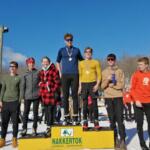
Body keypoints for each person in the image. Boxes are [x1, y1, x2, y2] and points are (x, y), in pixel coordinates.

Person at [56, 33, 83, 125]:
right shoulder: (61, 50)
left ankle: (75, 117)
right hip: (65, 75)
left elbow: (82, 62)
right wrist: (60, 72)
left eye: (71, 39)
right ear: (65, 41)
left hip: (75, 75)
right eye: (68, 40)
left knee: (75, 96)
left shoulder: (76, 50)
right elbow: (57, 62)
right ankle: (66, 117)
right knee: (65, 97)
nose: (69, 41)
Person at [101, 53, 126, 149]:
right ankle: (114, 139)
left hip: (118, 97)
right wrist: (107, 81)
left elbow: (122, 85)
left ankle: (123, 140)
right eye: (109, 59)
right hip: (108, 98)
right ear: (107, 61)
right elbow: (102, 87)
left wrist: (113, 85)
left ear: (115, 60)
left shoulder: (120, 71)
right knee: (112, 120)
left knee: (120, 119)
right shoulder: (104, 72)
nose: (110, 61)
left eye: (112, 59)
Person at [78, 47, 101, 130]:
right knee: (84, 104)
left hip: (93, 83)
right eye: (86, 52)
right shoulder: (81, 63)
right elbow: (80, 75)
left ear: (91, 53)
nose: (88, 53)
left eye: (89, 52)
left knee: (94, 103)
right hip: (84, 84)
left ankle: (96, 121)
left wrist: (97, 84)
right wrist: (80, 86)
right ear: (84, 53)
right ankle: (85, 121)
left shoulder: (96, 62)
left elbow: (99, 74)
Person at [130, 57, 150, 150]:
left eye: (141, 64)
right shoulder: (136, 75)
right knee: (140, 123)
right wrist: (136, 100)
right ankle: (142, 143)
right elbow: (132, 89)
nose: (139, 66)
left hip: (148, 102)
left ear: (146, 65)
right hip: (138, 103)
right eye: (138, 65)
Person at [0, 61, 21, 148]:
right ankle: (2, 139)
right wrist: (0, 100)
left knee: (15, 123)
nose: (12, 68)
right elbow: (2, 90)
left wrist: (18, 101)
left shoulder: (19, 78)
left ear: (16, 68)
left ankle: (14, 139)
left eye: (13, 66)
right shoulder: (5, 78)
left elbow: (20, 91)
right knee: (4, 122)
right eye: (10, 66)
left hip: (14, 102)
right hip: (5, 102)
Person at [39, 56, 60, 136]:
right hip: (44, 95)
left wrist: (53, 90)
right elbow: (40, 82)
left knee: (51, 111)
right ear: (42, 63)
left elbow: (57, 82)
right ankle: (48, 127)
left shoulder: (53, 70)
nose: (45, 63)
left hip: (51, 95)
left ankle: (51, 128)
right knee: (47, 112)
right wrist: (41, 87)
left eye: (46, 61)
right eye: (43, 61)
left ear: (49, 62)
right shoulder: (41, 72)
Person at [21, 57, 40, 136]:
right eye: (29, 63)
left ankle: (34, 128)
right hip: (27, 96)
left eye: (32, 63)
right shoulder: (25, 74)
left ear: (34, 64)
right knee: (25, 113)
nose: (31, 64)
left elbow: (41, 83)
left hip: (36, 96)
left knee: (36, 113)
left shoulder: (38, 73)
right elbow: (22, 86)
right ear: (27, 64)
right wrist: (22, 97)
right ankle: (24, 128)